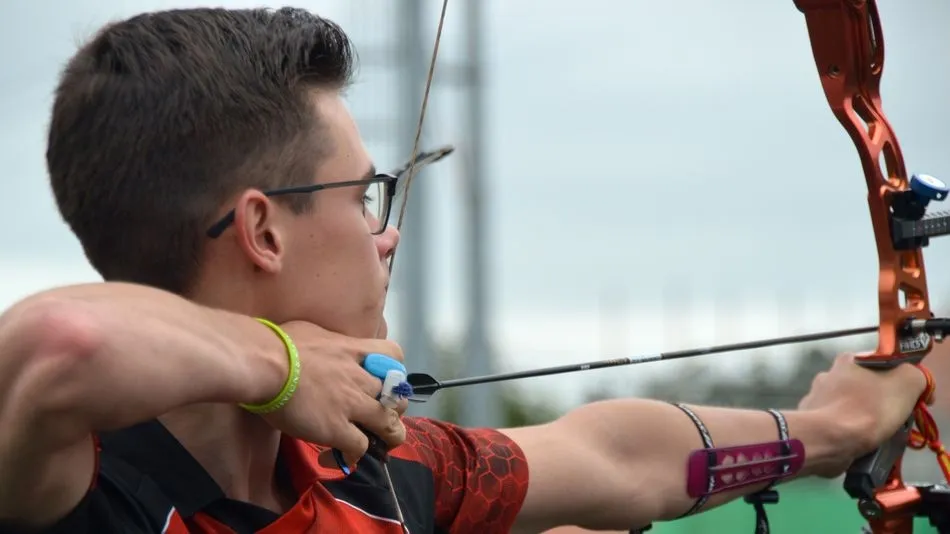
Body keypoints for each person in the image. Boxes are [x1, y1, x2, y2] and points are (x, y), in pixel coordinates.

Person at [0, 7, 929, 534]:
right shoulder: (70, 487)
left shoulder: (370, 474)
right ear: (262, 231)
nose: (385, 237)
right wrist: (283, 366)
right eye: (364, 197)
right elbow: (60, 339)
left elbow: (615, 455)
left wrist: (828, 428)